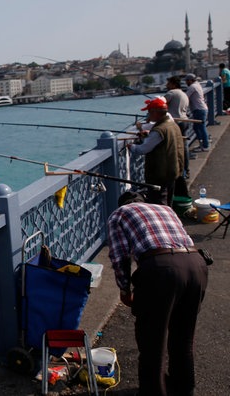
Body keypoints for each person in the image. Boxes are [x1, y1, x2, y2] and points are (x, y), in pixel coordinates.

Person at [107, 191, 208, 396]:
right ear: (143, 202)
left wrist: (125, 289)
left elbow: (119, 258)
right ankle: (185, 390)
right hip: (196, 265)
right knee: (183, 338)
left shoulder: (118, 214)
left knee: (153, 340)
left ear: (123, 204)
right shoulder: (166, 209)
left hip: (161, 269)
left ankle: (154, 392)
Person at [128, 97, 182, 206]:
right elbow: (160, 144)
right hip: (173, 170)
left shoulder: (159, 130)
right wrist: (147, 137)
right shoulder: (172, 125)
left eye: (149, 112)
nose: (148, 115)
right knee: (168, 202)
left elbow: (143, 149)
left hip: (160, 175)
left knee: (159, 204)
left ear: (155, 112)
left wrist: (131, 146)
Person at [164, 76, 191, 193]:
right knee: (183, 147)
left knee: (174, 149)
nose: (166, 85)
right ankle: (186, 170)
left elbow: (160, 103)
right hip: (185, 121)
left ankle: (179, 173)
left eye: (168, 83)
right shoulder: (184, 94)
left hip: (175, 122)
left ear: (173, 84)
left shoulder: (171, 93)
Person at [184, 73, 210, 151]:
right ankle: (202, 144)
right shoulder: (198, 85)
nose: (186, 83)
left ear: (190, 80)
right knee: (197, 127)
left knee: (201, 128)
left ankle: (205, 146)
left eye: (187, 81)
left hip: (199, 110)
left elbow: (185, 97)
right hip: (202, 108)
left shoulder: (192, 87)